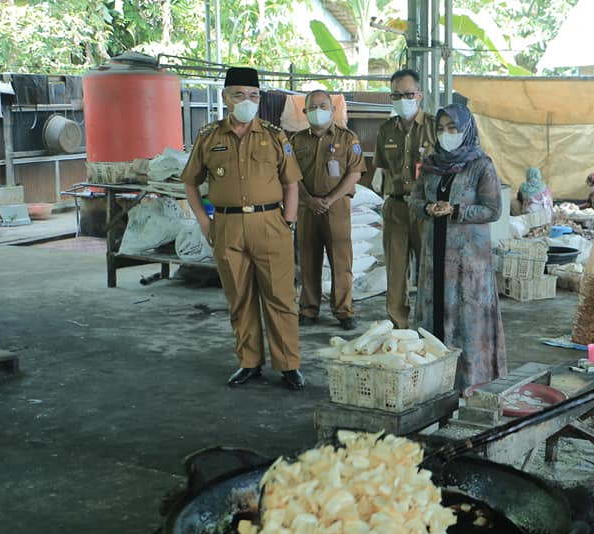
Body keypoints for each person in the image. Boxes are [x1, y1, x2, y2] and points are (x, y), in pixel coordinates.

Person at [181, 67, 306, 390]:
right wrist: (205, 221)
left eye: (253, 96)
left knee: (280, 298)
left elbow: (291, 183)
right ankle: (249, 362)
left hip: (270, 223)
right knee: (240, 297)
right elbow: (191, 183)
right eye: (239, 95)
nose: (247, 101)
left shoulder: (274, 135)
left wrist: (288, 222)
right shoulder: (209, 137)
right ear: (225, 98)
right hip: (227, 225)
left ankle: (288, 365)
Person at [409, 103, 506, 391]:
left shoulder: (481, 165)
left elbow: (493, 209)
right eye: (440, 129)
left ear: (466, 130)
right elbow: (413, 202)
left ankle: (469, 379)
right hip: (434, 254)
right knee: (434, 314)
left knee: (465, 316)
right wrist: (428, 207)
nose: (446, 134)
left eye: (452, 128)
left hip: (467, 263)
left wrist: (457, 210)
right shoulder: (430, 165)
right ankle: (433, 381)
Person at [289, 89, 367, 331]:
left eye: (323, 106)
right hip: (306, 208)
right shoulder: (296, 141)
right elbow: (291, 175)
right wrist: (309, 199)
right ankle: (309, 309)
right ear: (304, 112)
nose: (318, 111)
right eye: (312, 107)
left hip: (337, 208)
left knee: (341, 261)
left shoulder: (347, 139)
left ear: (333, 111)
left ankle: (344, 311)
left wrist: (330, 199)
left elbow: (354, 174)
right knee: (309, 259)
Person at [374, 69, 437, 329]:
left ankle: (428, 324)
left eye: (408, 94)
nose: (403, 99)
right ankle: (398, 327)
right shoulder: (386, 130)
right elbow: (382, 168)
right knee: (396, 271)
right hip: (396, 207)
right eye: (397, 95)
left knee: (428, 269)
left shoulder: (434, 126)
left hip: (426, 209)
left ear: (419, 95)